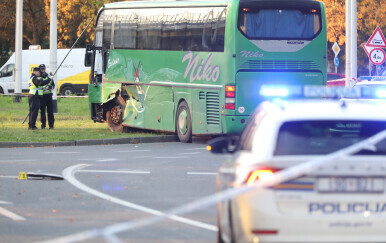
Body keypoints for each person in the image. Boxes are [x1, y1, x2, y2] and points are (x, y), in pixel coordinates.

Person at [39, 64, 55, 129]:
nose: (43, 70)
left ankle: (51, 125)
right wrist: (44, 87)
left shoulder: (49, 76)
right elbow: (38, 85)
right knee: (42, 112)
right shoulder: (38, 77)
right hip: (42, 96)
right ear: (39, 70)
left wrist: (50, 87)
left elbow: (53, 85)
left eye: (44, 69)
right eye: (42, 69)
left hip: (49, 96)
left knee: (50, 112)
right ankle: (43, 125)